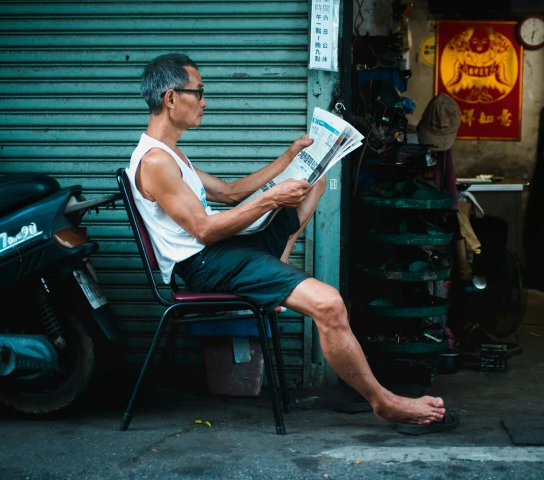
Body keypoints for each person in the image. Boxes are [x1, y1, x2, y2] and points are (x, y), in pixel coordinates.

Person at [126, 53, 446, 427]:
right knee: (329, 305)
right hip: (207, 262)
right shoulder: (155, 162)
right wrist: (271, 199)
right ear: (170, 98)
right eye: (198, 92)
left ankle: (275, 264)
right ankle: (383, 401)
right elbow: (204, 230)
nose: (204, 101)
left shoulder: (171, 153)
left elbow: (229, 193)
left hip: (227, 249)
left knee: (316, 181)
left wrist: (290, 157)